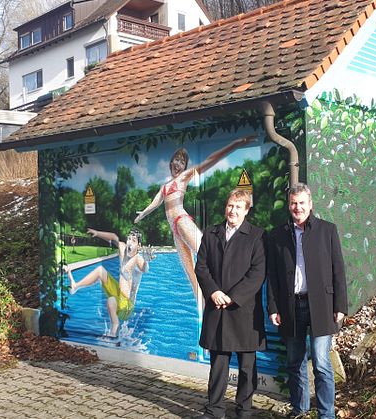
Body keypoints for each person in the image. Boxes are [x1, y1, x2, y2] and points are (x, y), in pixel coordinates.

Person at [134, 135, 255, 300]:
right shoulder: (164, 187)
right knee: (192, 277)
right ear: (171, 162)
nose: (178, 164)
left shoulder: (184, 178)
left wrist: (236, 143)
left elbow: (210, 160)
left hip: (182, 221)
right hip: (175, 231)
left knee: (207, 255)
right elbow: (154, 204)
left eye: (182, 162)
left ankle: (229, 288)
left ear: (184, 167)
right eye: (176, 160)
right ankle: (205, 312)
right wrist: (142, 214)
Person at [266, 183, 348, 419]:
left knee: (322, 363)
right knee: (295, 362)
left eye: (302, 203)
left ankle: (326, 414)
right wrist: (273, 307)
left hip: (322, 305)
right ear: (289, 205)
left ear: (310, 205)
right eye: (293, 203)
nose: (297, 207)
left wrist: (340, 306)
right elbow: (272, 275)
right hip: (291, 306)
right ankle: (300, 408)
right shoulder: (278, 235)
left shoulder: (327, 230)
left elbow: (338, 270)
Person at [194, 189, 266, 419]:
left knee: (246, 367)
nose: (232, 210)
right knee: (218, 366)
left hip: (244, 311)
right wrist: (213, 292)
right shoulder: (211, 234)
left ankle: (244, 410)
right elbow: (201, 267)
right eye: (230, 205)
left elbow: (257, 273)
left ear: (246, 210)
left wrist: (233, 297)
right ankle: (214, 410)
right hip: (217, 310)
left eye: (238, 207)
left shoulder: (257, 236)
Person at [65, 228, 154, 338]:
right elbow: (113, 236)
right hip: (118, 292)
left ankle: (114, 330)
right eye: (129, 239)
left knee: (111, 300)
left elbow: (144, 269)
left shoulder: (137, 259)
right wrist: (97, 233)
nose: (130, 242)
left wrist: (146, 261)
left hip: (127, 304)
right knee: (100, 271)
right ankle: (75, 287)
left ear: (139, 246)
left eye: (134, 240)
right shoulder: (123, 249)